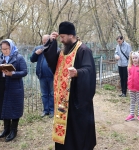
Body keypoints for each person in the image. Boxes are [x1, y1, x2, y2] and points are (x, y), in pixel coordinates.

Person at [43, 21, 96, 150]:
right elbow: (52, 63)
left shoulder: (83, 50)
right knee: (65, 132)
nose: (61, 40)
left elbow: (89, 70)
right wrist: (51, 41)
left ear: (71, 35)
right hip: (62, 100)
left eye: (63, 37)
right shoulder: (63, 51)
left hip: (77, 99)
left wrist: (78, 72)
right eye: (60, 37)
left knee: (77, 130)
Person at [0, 39, 28, 142]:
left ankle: (14, 130)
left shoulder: (18, 58)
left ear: (11, 47)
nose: (4, 51)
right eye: (2, 49)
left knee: (14, 108)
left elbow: (24, 71)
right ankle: (6, 129)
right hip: (1, 87)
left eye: (6, 49)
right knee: (4, 107)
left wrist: (12, 74)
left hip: (14, 88)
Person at [30, 34, 55, 118]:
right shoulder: (38, 48)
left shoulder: (54, 49)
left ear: (49, 40)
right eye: (43, 41)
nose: (44, 43)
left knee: (52, 94)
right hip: (42, 75)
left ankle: (52, 110)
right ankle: (45, 110)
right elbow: (32, 60)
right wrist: (36, 54)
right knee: (44, 94)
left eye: (46, 41)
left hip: (52, 76)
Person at [125, 51, 139, 123]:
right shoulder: (129, 67)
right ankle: (131, 114)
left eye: (136, 58)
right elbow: (129, 76)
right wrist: (128, 85)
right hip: (131, 87)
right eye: (133, 58)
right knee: (132, 101)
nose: (134, 59)